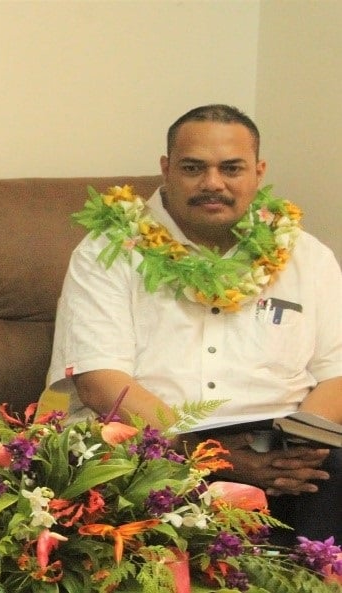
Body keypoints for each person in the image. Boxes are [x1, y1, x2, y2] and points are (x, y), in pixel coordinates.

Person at [49, 104, 342, 545]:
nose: (213, 183)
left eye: (231, 168)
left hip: (280, 445)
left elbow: (336, 373)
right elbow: (100, 382)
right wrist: (207, 456)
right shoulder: (108, 253)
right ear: (166, 169)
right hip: (155, 445)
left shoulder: (308, 256)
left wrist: (297, 454)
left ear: (258, 172)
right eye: (193, 168)